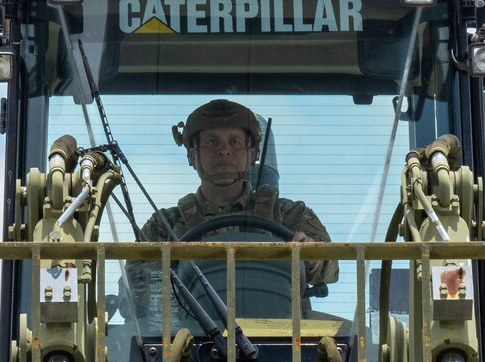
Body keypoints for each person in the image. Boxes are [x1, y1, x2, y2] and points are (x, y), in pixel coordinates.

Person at [124, 99, 338, 330]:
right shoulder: (163, 226)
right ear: (192, 156)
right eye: (212, 141)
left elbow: (333, 265)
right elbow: (136, 296)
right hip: (187, 352)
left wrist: (313, 256)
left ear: (252, 153)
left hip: (285, 346)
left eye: (234, 142)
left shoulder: (289, 215)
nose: (224, 150)